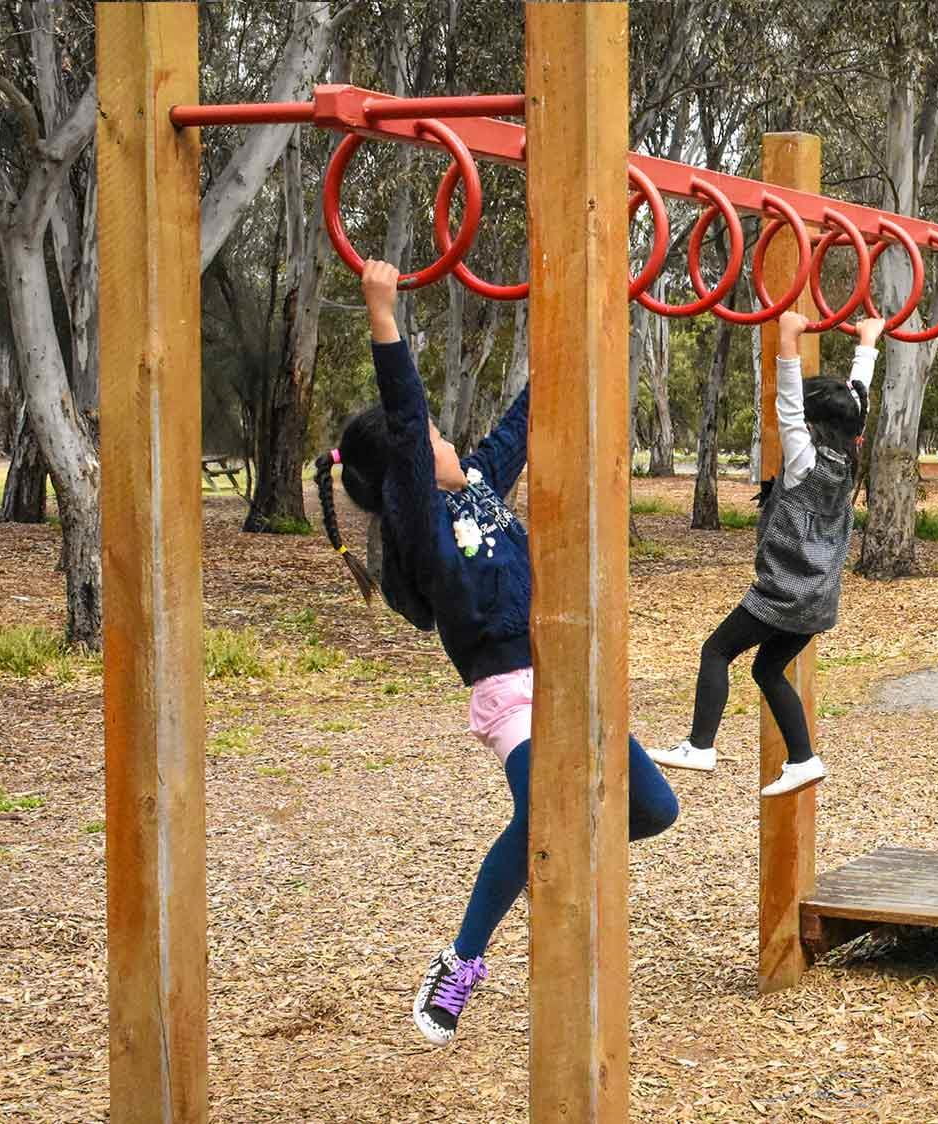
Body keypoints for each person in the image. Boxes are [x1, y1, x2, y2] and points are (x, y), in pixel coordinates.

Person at [315, 260, 678, 1046]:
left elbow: (530, 411)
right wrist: (384, 315)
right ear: (406, 474)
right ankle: (461, 961)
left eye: (445, 438)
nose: (447, 441)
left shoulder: (475, 482)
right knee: (545, 812)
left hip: (566, 680)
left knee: (654, 809)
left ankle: (547, 865)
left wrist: (579, 311)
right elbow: (410, 427)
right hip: (509, 689)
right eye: (436, 439)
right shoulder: (420, 530)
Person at [649, 310, 880, 797]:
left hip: (782, 594)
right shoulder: (849, 457)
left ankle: (700, 744)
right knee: (766, 668)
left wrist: (787, 339)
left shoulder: (804, 462)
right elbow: (857, 402)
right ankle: (803, 758)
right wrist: (867, 345)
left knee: (717, 651)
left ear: (813, 425)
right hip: (819, 600)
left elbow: (789, 409)